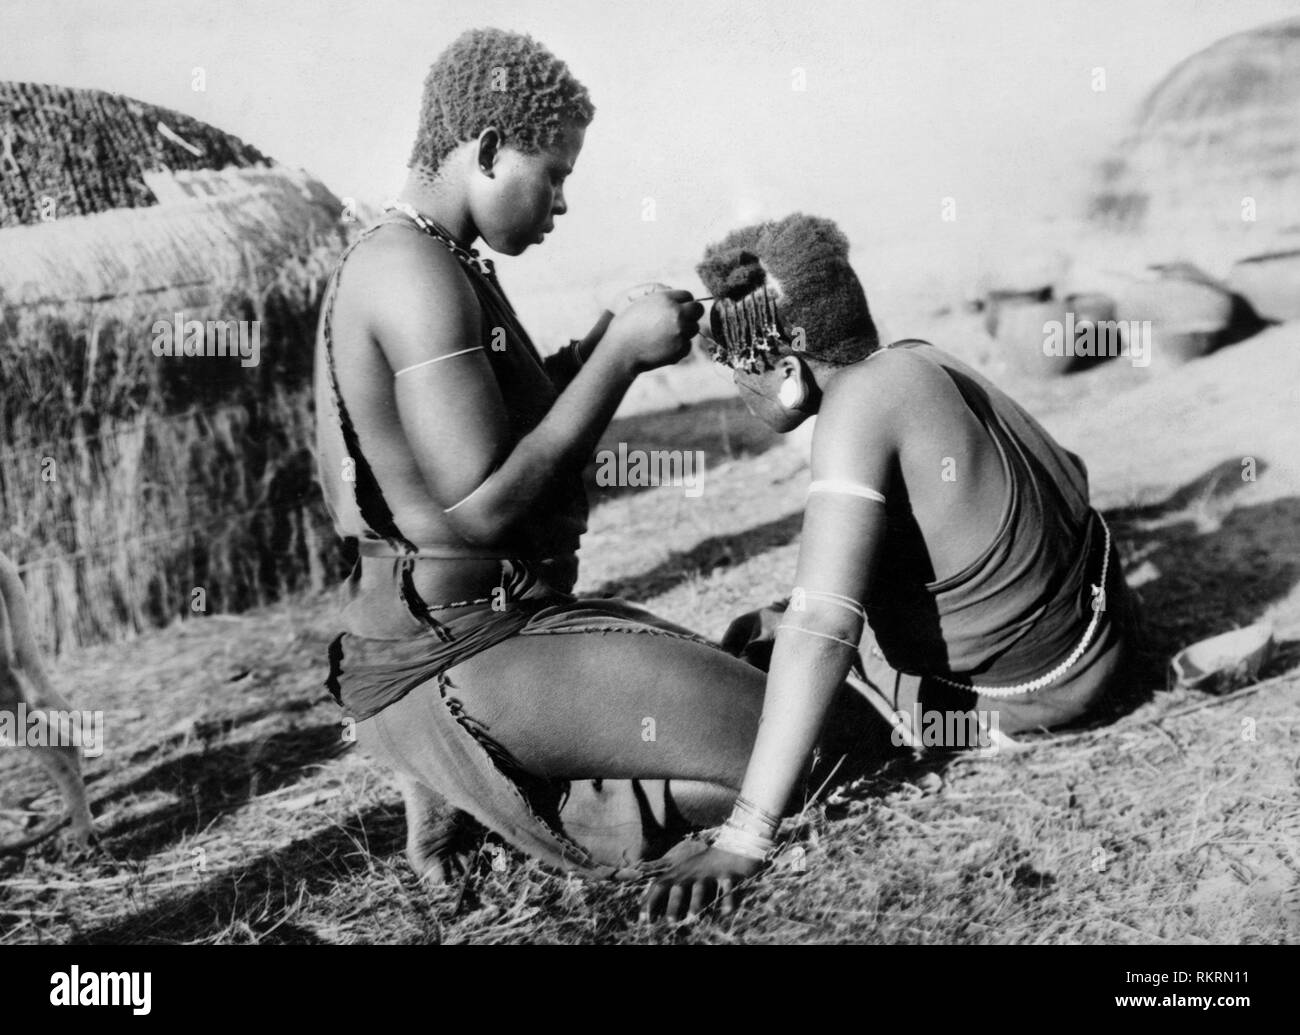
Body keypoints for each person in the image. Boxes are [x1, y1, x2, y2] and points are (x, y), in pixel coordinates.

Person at [315, 28, 789, 892]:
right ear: (490, 150)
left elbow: (502, 424)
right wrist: (617, 365)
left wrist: (608, 338)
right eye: (557, 174)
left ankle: (488, 767)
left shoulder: (435, 257)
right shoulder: (414, 275)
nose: (563, 203)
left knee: (773, 710)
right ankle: (518, 789)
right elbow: (482, 508)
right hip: (466, 651)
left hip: (483, 628)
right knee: (795, 744)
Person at [640, 213, 1138, 920]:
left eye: (737, 374)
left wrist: (745, 837)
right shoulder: (922, 359)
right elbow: (1071, 475)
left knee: (756, 670)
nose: (737, 395)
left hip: (1024, 701)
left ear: (784, 370)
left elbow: (821, 627)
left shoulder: (858, 408)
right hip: (1104, 639)